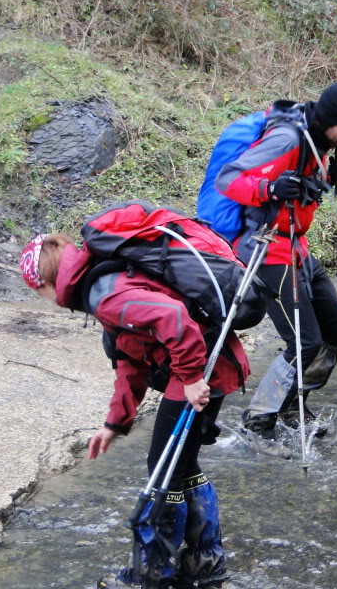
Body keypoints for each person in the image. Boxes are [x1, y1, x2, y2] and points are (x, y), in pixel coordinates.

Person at [19, 233, 249, 589]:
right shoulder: (101, 282)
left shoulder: (105, 294)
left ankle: (153, 576)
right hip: (213, 366)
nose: (46, 301)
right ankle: (205, 567)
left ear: (48, 282)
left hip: (200, 370)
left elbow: (171, 316)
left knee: (162, 472)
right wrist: (115, 422)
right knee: (181, 467)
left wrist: (189, 379)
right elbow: (130, 358)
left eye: (39, 292)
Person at [215, 82, 337, 445]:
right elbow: (229, 179)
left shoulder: (318, 140)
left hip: (297, 248)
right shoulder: (286, 138)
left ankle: (292, 407)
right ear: (331, 120)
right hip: (267, 250)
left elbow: (303, 184)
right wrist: (269, 189)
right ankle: (258, 419)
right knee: (304, 343)